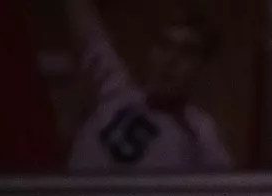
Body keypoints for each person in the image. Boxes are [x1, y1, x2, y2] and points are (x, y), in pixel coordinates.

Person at [64, 0, 231, 172]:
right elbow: (89, 31)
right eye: (165, 45)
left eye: (187, 52)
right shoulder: (115, 91)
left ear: (201, 68)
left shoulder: (200, 132)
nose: (171, 59)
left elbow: (223, 191)